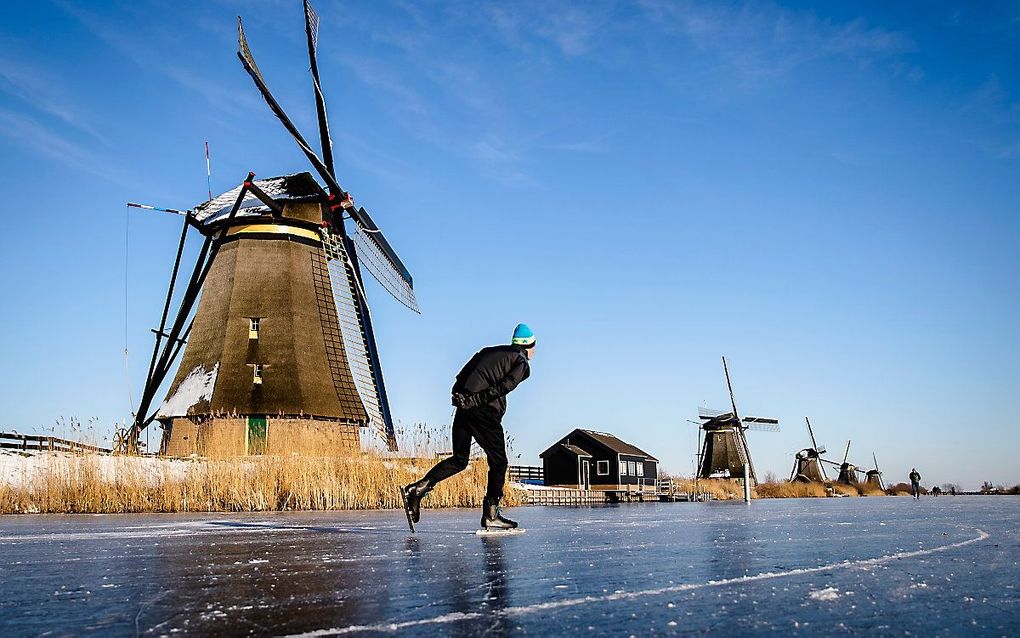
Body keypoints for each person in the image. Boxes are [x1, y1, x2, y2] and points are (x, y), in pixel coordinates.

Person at [402, 323, 536, 530]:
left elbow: (462, 375)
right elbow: (504, 386)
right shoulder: (521, 362)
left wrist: (461, 397)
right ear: (529, 346)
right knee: (499, 462)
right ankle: (491, 513)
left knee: (459, 459)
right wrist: (476, 401)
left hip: (464, 406)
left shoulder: (488, 351)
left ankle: (418, 489)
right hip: (483, 411)